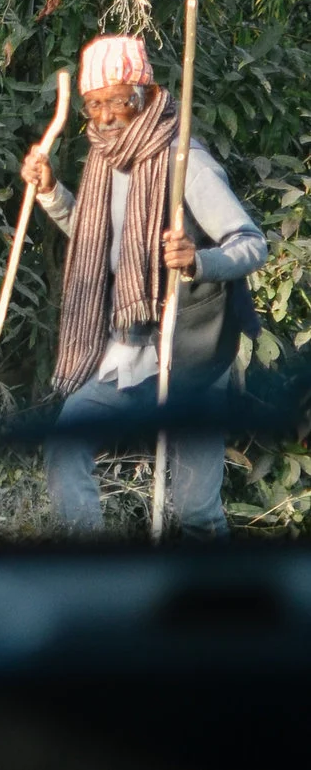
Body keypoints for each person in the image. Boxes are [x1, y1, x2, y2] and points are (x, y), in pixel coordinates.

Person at [21, 34, 266, 538]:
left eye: (117, 100)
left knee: (195, 510)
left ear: (147, 94)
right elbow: (98, 241)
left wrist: (198, 260)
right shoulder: (105, 160)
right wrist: (49, 192)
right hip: (127, 349)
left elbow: (250, 244)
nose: (106, 116)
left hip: (192, 356)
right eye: (94, 104)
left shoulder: (185, 162)